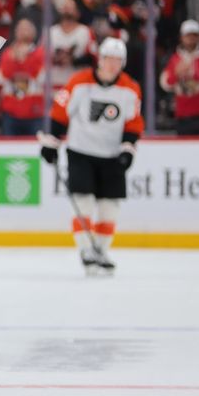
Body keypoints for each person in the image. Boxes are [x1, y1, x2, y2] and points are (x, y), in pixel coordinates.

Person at [39, 38, 143, 274]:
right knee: (83, 201)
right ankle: (86, 249)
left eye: (118, 60)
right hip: (81, 152)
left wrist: (128, 149)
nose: (112, 65)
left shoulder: (130, 88)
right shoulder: (79, 82)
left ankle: (101, 250)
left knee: (110, 207)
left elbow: (133, 123)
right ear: (100, 59)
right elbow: (59, 113)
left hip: (111, 155)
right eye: (108, 59)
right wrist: (51, 143)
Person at [160, 20, 199, 135]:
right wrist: (176, 74)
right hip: (183, 116)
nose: (191, 38)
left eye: (194, 35)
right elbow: (165, 83)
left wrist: (194, 74)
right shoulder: (174, 59)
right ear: (181, 37)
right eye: (188, 35)